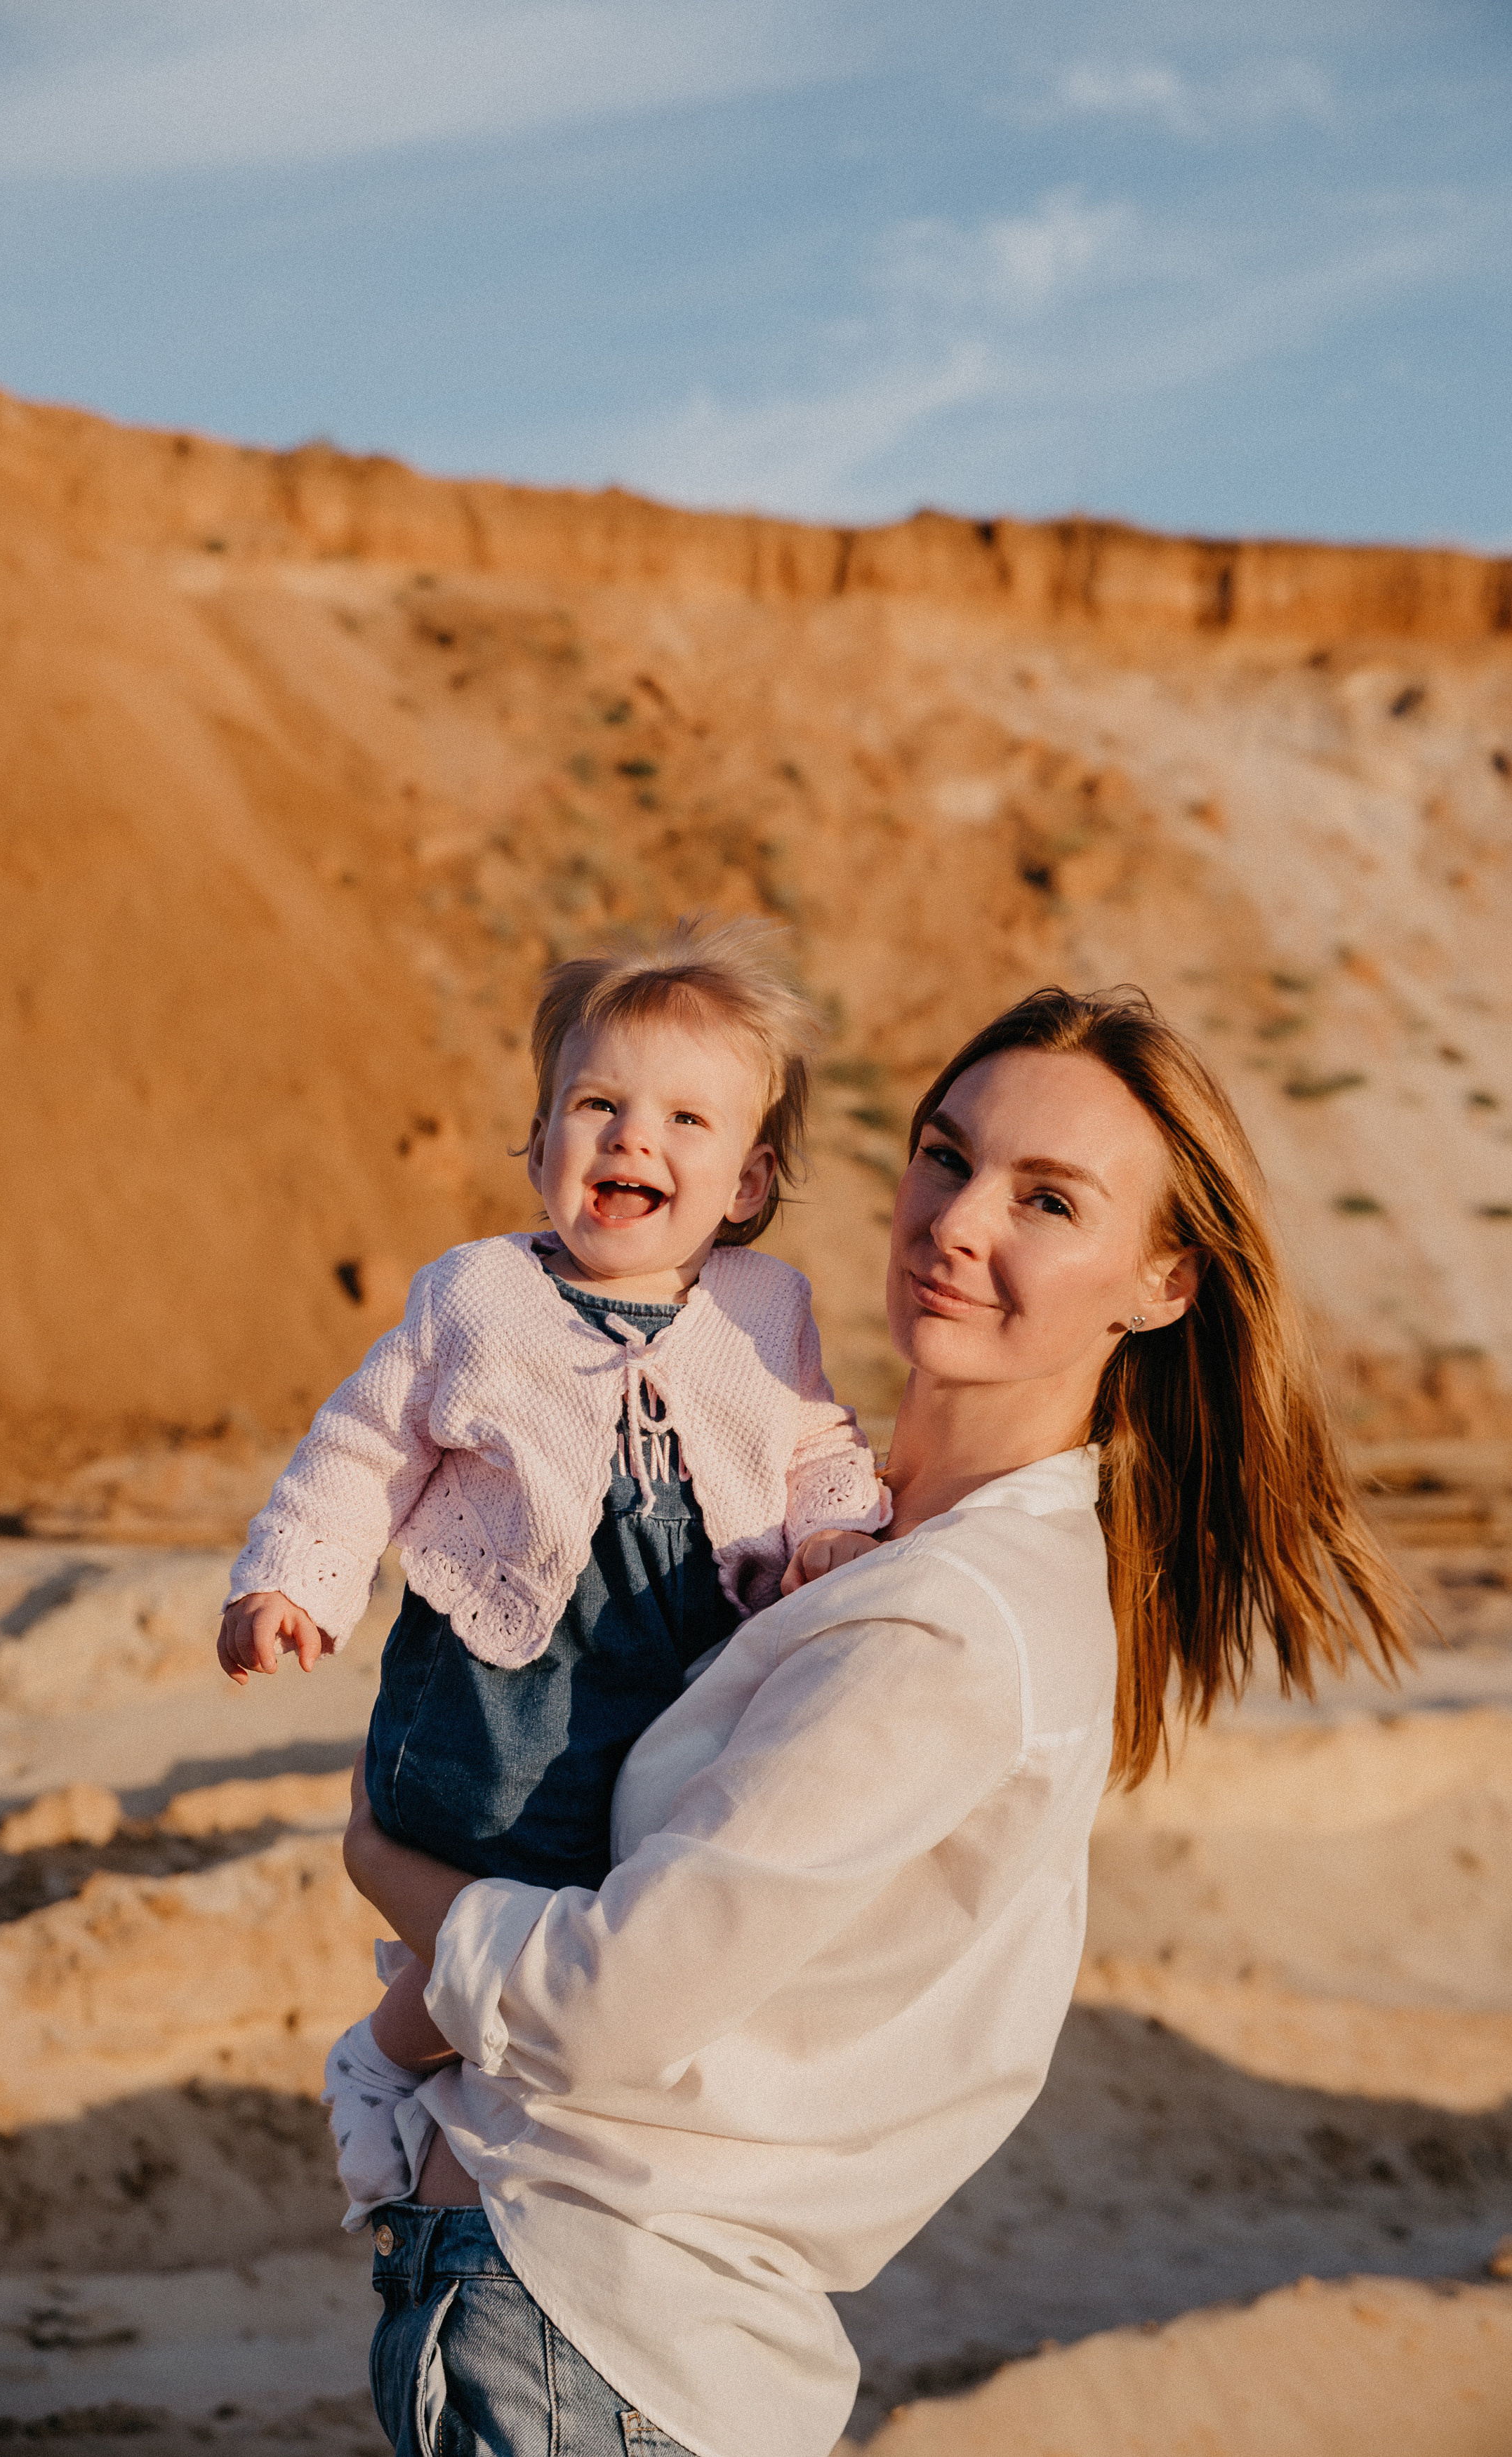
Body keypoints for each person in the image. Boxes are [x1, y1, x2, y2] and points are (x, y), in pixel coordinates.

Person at [339, 984, 1413, 2457]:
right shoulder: (845, 1536)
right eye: (946, 1155)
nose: (959, 1222)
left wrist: (384, 1863)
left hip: (604, 2352)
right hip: (563, 2328)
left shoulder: (958, 1620)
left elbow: (606, 2003)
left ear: (1161, 1280)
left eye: (1047, 1199)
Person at [215, 920, 888, 2213]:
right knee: (502, 1892)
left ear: (746, 1184)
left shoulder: (766, 1310)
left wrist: (832, 1530)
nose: (636, 1139)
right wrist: (295, 1577)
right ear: (537, 1149)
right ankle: (382, 2066)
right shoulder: (473, 1299)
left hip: (675, 1673)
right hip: (502, 1678)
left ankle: (430, 2065)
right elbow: (363, 1447)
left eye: (687, 1121)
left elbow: (811, 1441)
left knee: (614, 1922)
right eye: (597, 1105)